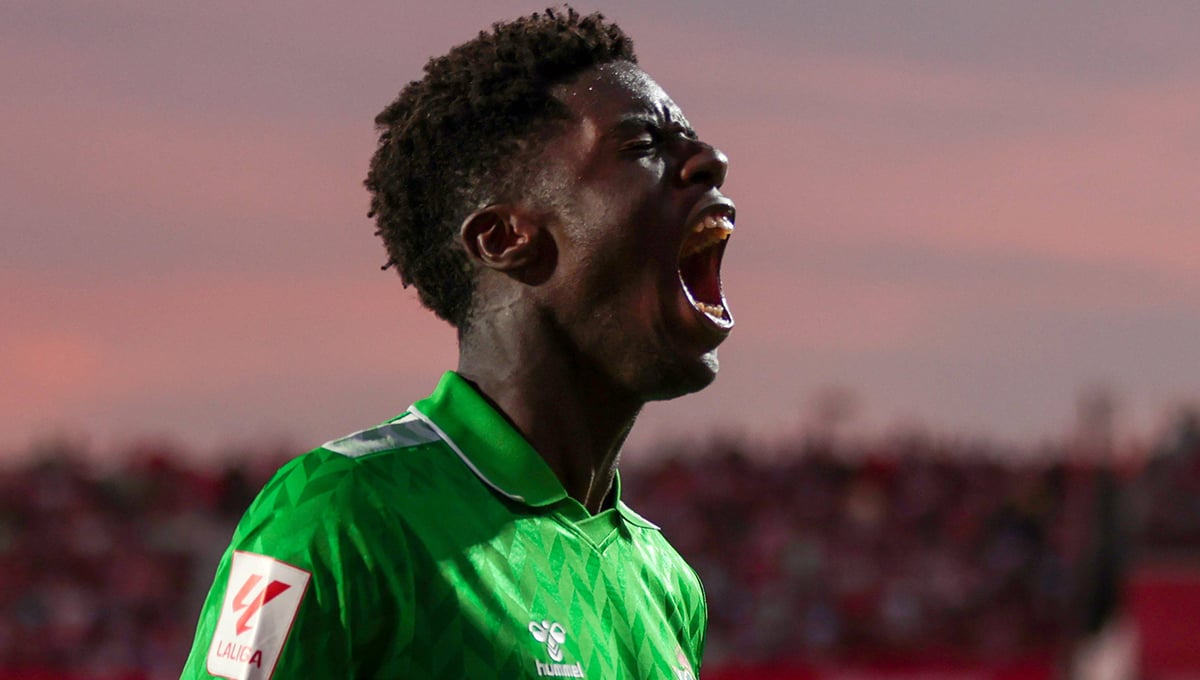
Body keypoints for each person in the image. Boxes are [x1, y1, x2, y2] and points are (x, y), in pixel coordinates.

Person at [181, 7, 735, 678]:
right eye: (644, 142)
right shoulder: (340, 513)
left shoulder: (665, 582)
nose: (710, 161)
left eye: (689, 140)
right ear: (504, 239)